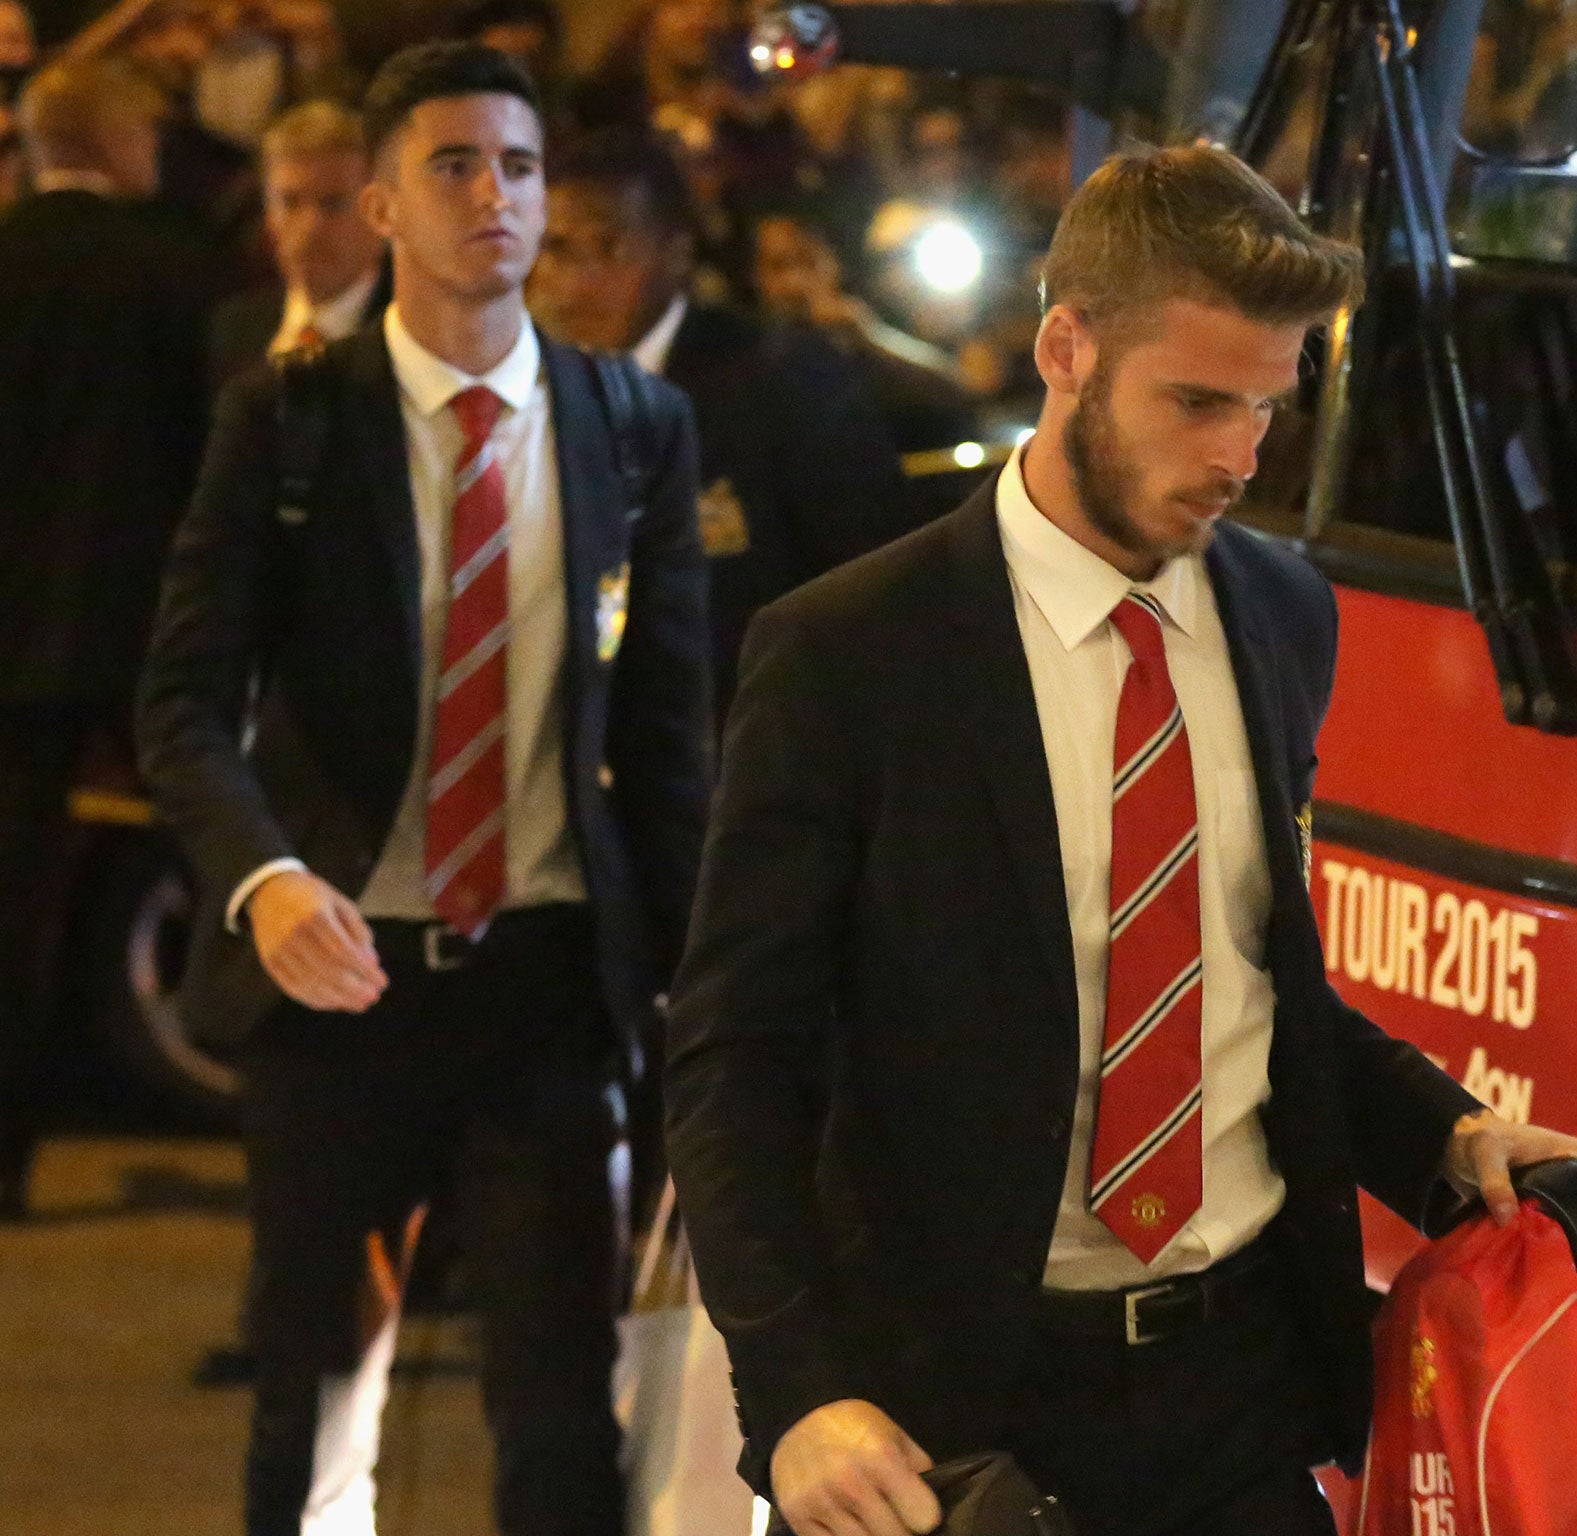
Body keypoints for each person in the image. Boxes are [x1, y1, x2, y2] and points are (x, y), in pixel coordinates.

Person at [665, 144, 1577, 1536]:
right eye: (1197, 401)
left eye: (1268, 411)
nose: (1236, 455)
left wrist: (1451, 1135)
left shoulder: (1285, 616)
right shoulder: (848, 651)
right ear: (1065, 348)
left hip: (1239, 1389)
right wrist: (794, 1395)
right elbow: (736, 1056)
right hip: (961, 1415)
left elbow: (1246, 980)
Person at [137, 41, 712, 1536]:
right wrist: (263, 881)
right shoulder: (293, 418)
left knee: (559, 1401)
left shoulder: (627, 428)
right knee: (318, 1389)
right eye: (455, 166)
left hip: (541, 980)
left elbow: (664, 745)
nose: (496, 198)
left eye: (519, 167)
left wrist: (694, 986)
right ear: (383, 204)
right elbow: (185, 704)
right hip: (341, 984)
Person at [0, 54, 220, 1220]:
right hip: (149, 630)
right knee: (222, 865)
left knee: (12, 899)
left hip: (11, 638)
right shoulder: (175, 275)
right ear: (119, 136)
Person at [530, 127, 913, 722]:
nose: (579, 279)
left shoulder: (782, 379)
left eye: (609, 247)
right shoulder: (531, 391)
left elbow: (870, 591)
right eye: (556, 249)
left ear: (676, 251)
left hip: (752, 746)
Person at [751, 208, 979, 456]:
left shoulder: (871, 327)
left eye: (807, 261)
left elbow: (954, 390)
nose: (795, 282)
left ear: (833, 262)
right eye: (778, 267)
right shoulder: (748, 351)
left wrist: (869, 338)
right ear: (756, 276)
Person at [208, 98, 387, 390]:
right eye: (289, 203)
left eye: (333, 203)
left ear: (379, 212)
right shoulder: (234, 331)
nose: (310, 227)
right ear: (266, 212)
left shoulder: (414, 334)